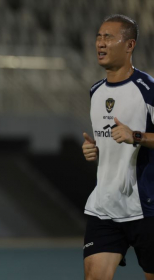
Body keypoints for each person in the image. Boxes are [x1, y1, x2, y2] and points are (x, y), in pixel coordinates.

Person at [82, 14, 154, 280]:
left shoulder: (148, 90)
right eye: (98, 37)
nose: (100, 43)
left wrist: (137, 136)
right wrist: (94, 150)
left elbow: (133, 137)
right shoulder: (96, 91)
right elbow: (109, 143)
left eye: (108, 37)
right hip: (105, 206)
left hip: (144, 207)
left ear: (129, 45)